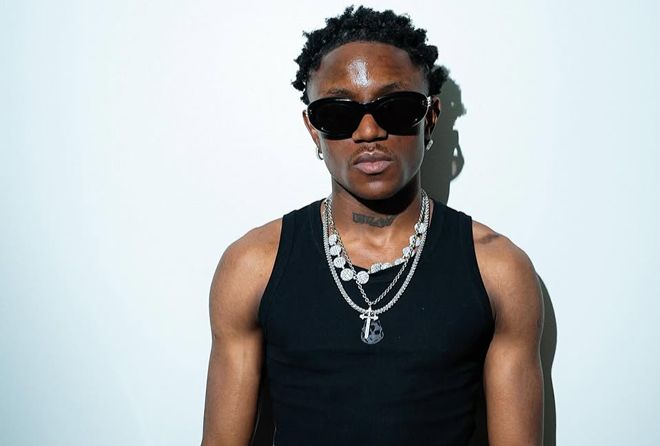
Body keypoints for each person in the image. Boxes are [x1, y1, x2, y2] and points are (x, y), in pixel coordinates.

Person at [201, 6, 544, 446]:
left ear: (430, 117)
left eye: (396, 108)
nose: (368, 132)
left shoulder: (499, 270)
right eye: (337, 113)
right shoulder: (252, 266)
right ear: (313, 129)